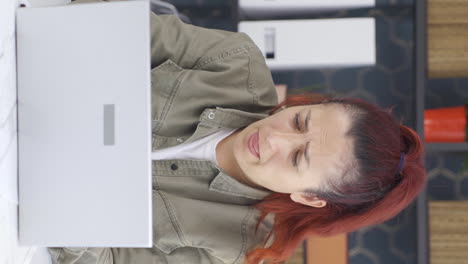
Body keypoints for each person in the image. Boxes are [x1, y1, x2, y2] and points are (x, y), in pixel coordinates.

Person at [48, 0, 427, 263]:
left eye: (297, 158)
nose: (274, 139)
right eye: (299, 121)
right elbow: (104, 25)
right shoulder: (234, 61)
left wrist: (76, 195)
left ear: (309, 198)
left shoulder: (233, 249)